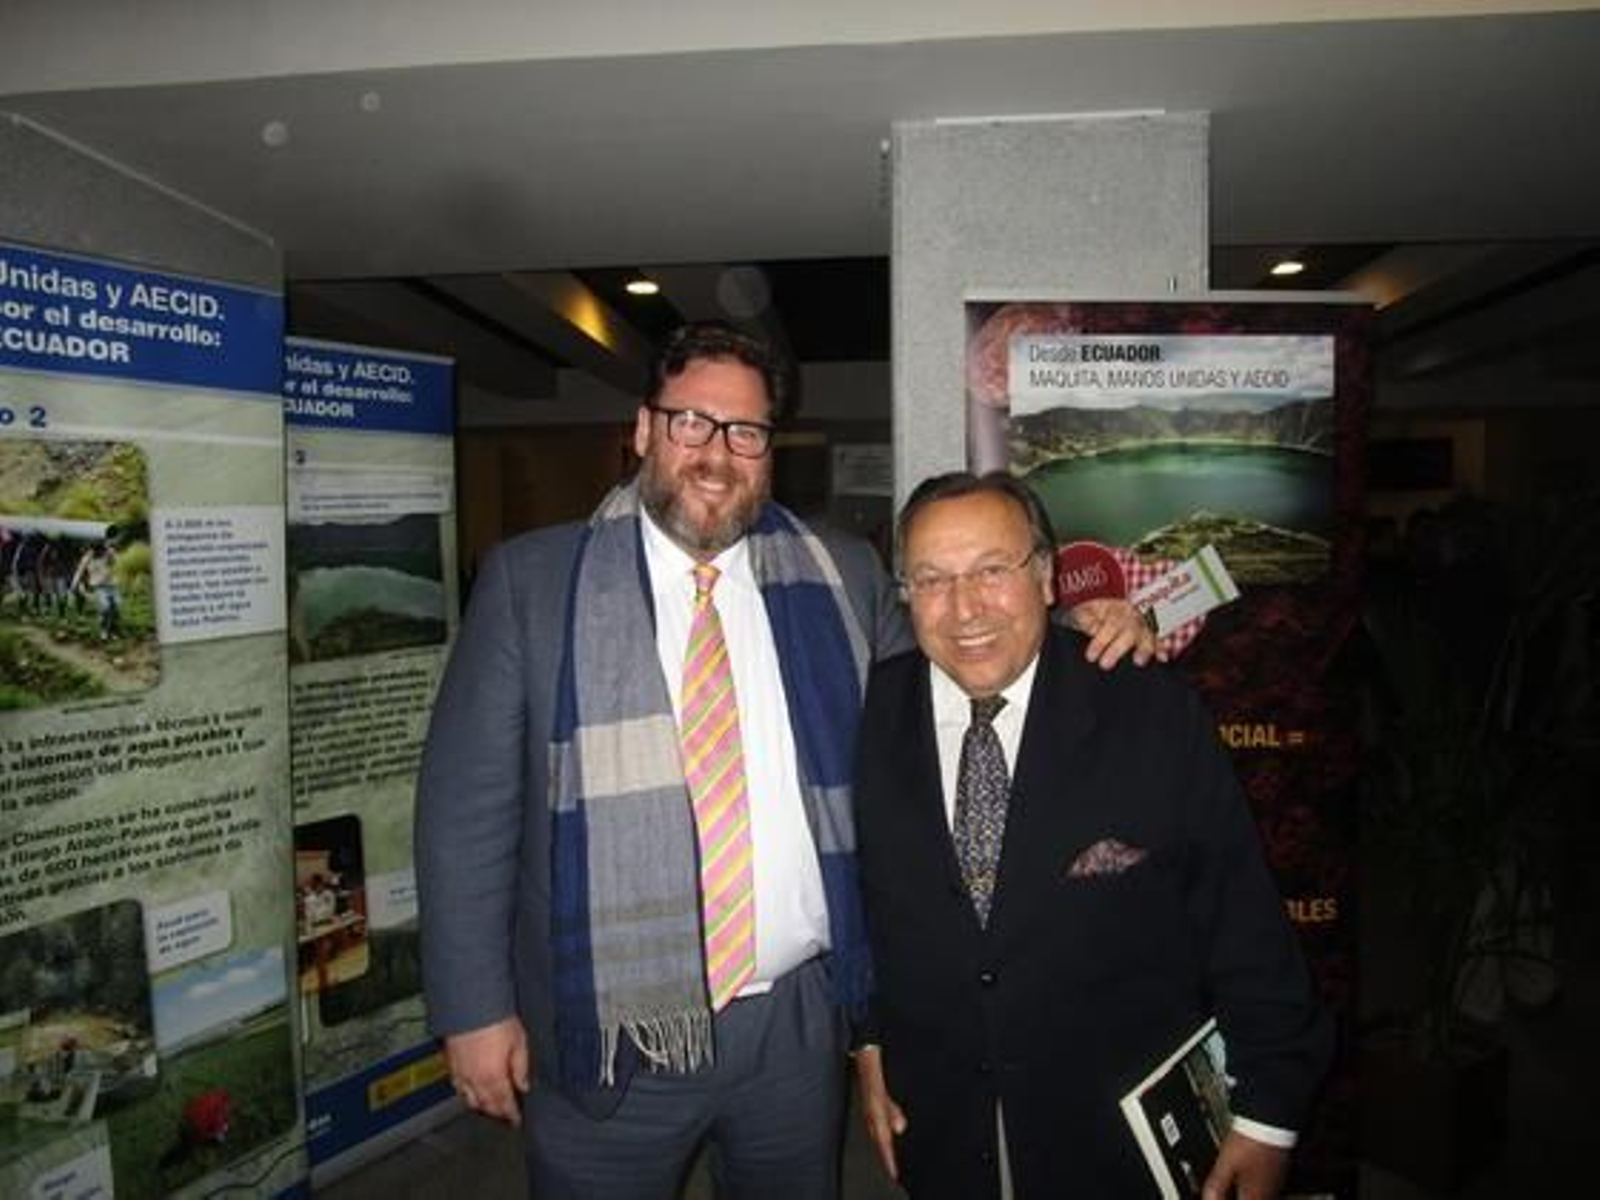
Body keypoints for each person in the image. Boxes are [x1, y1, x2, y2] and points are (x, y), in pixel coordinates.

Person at [414, 324, 1157, 1199]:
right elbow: (464, 816)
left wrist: (1075, 627)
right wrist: (472, 1010)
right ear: (645, 429)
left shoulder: (837, 574)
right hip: (611, 1023)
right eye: (692, 423)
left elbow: (954, 651)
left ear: (770, 452)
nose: (717, 455)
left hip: (799, 1025)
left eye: (746, 433)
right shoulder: (532, 584)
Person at [852, 470, 1332, 1200]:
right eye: (932, 579)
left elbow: (1241, 918)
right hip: (942, 1124)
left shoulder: (1150, 713)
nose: (965, 608)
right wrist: (869, 1039)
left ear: (1046, 577)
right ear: (906, 594)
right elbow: (860, 906)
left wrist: (1266, 1117)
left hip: (1113, 1137)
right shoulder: (868, 717)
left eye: (992, 570)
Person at [70, 540, 121, 639]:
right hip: (99, 587)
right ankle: (104, 630)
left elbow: (117, 561)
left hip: (112, 585)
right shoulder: (87, 558)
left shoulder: (109, 554)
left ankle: (114, 630)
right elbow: (79, 571)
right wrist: (74, 585)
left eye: (103, 550)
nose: (101, 553)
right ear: (94, 550)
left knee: (116, 608)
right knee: (105, 608)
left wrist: (111, 553)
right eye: (99, 551)